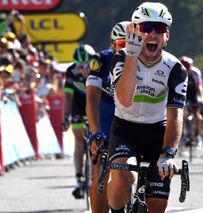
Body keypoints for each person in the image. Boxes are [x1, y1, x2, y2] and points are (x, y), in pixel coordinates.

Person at [105, 2, 188, 212]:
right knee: (122, 179)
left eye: (159, 29)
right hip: (125, 128)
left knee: (157, 206)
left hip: (157, 131)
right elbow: (124, 100)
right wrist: (132, 56)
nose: (152, 33)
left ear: (166, 36)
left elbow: (176, 114)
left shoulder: (175, 69)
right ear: (135, 31)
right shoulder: (121, 57)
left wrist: (168, 153)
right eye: (146, 27)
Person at [86, 21, 129, 213]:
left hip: (130, 119)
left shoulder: (145, 60)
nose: (127, 49)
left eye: (133, 43)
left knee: (127, 172)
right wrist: (95, 131)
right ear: (112, 45)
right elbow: (92, 97)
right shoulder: (101, 60)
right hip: (105, 115)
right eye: (122, 44)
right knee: (100, 176)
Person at [62, 44, 95, 199]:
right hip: (78, 103)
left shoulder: (98, 67)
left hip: (94, 101)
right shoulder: (71, 72)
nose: (84, 68)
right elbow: (68, 97)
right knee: (79, 141)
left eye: (87, 65)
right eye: (80, 66)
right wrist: (65, 117)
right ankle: (78, 179)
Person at [179, 55, 203, 145]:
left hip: (193, 93)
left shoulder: (195, 72)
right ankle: (181, 136)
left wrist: (201, 98)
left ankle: (197, 135)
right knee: (180, 115)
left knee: (197, 114)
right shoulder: (177, 71)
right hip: (181, 93)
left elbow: (200, 87)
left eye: (188, 68)